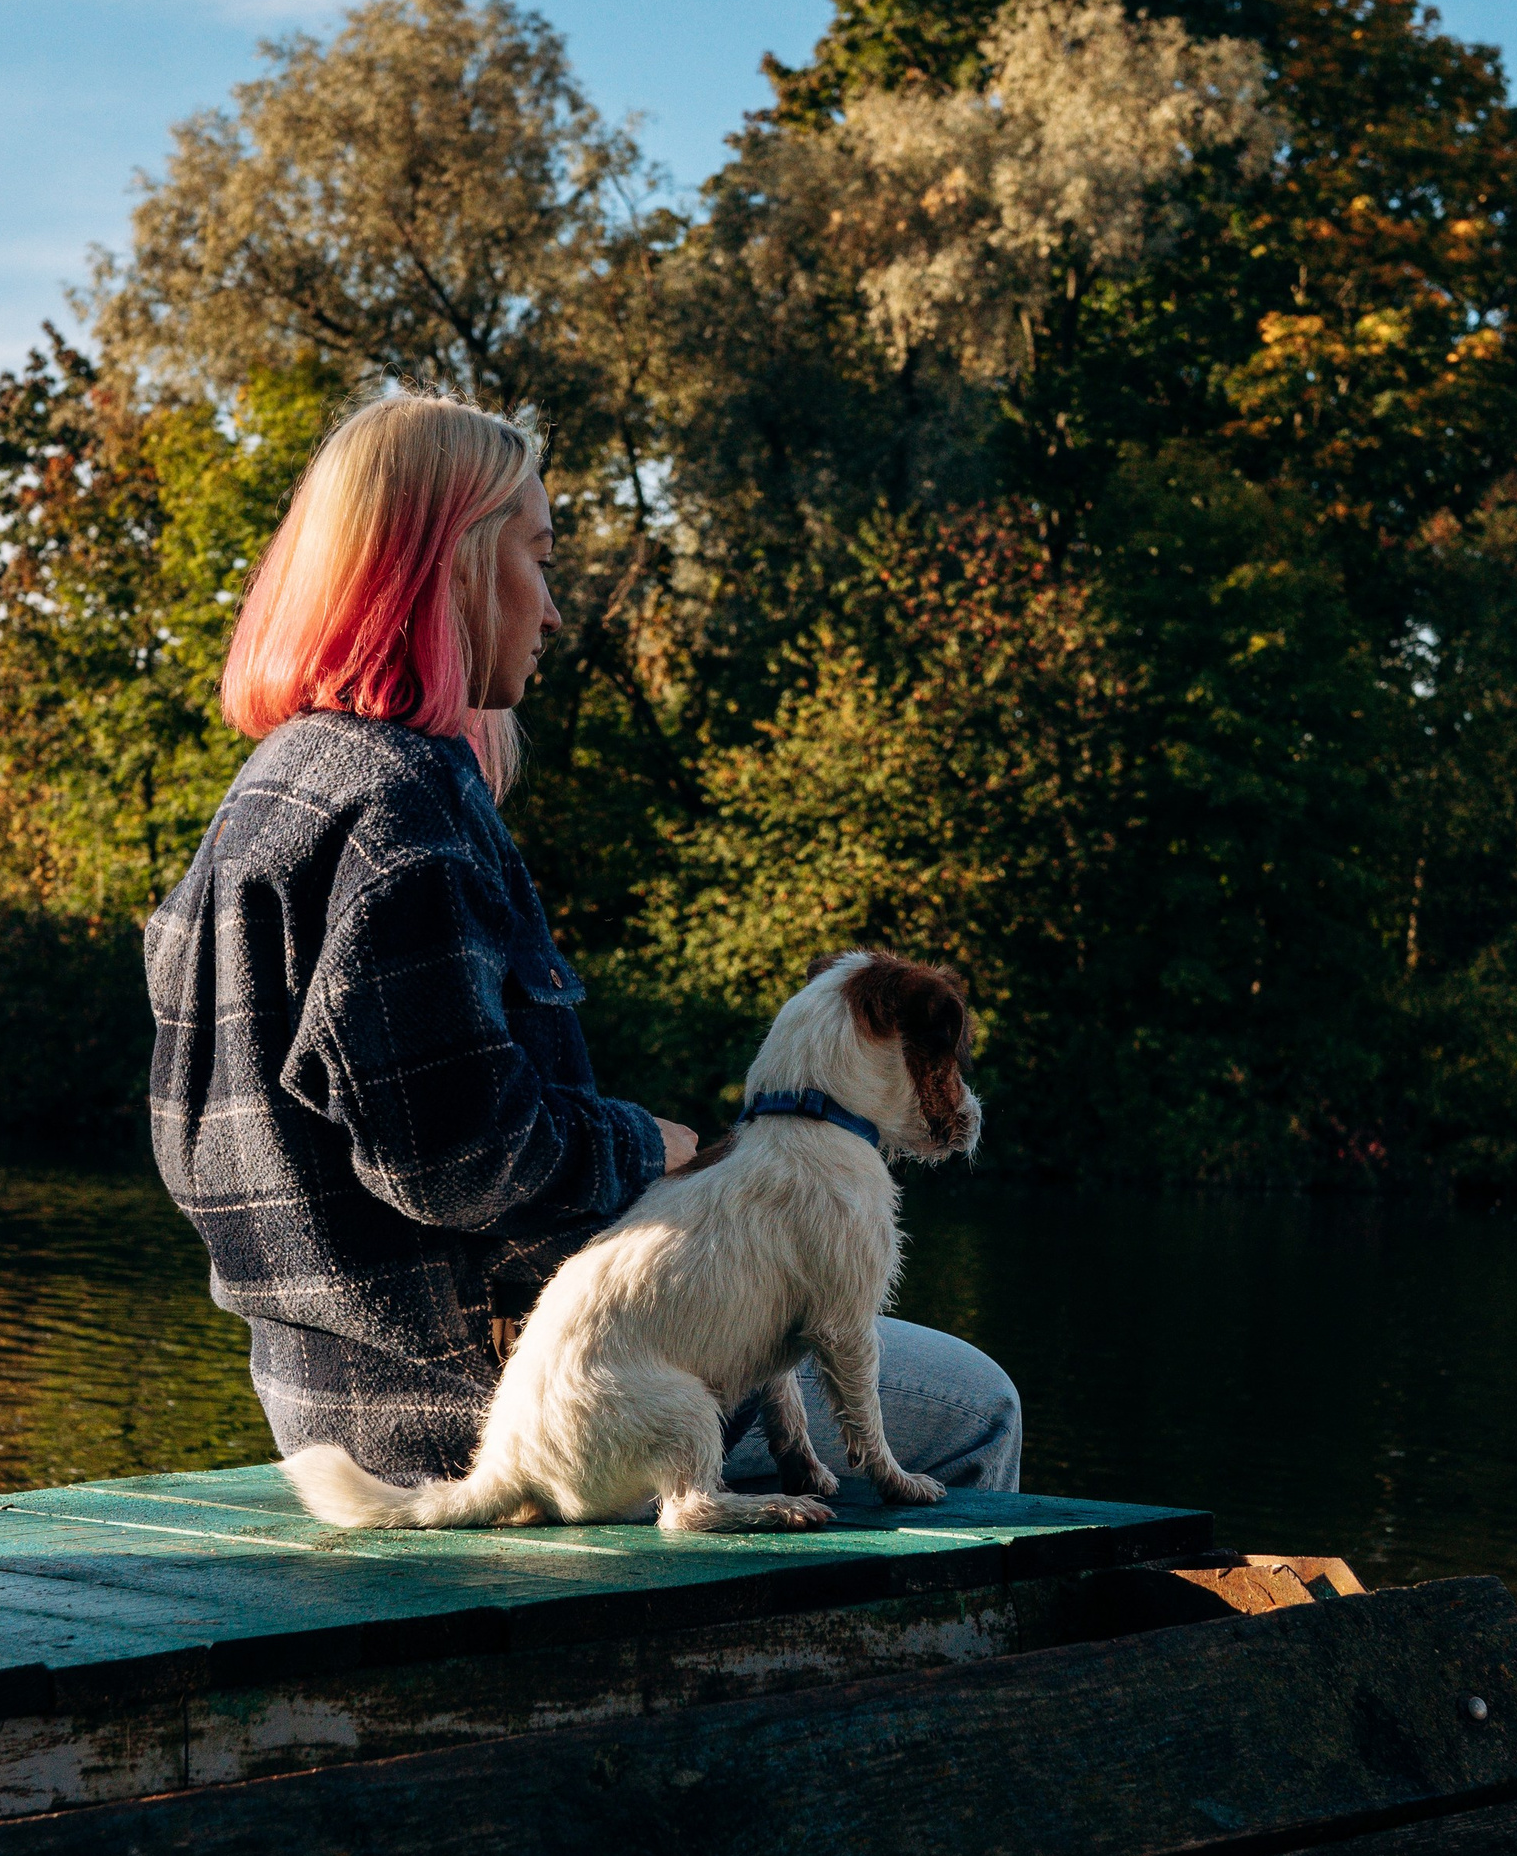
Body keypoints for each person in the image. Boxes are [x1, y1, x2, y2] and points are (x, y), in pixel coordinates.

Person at [145, 391, 1021, 1500]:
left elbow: (204, 1150)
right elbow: (461, 1155)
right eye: (541, 557)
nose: (555, 613)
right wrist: (647, 1144)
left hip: (327, 1401)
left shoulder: (266, 794)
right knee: (979, 1405)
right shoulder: (408, 818)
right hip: (498, 1398)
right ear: (456, 565)